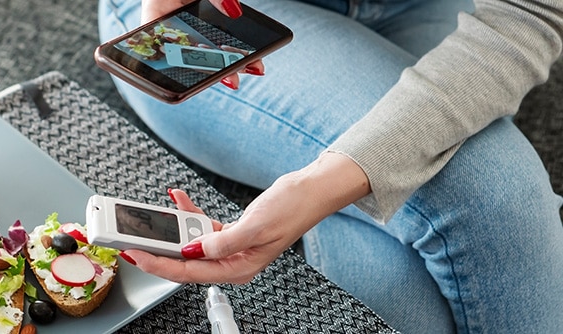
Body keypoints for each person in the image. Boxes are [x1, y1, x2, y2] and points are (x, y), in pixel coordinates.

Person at [98, 0, 563, 332]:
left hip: (429, 10)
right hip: (233, 11)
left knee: (397, 292)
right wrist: (329, 182)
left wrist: (321, 187)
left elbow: (530, 12)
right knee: (498, 192)